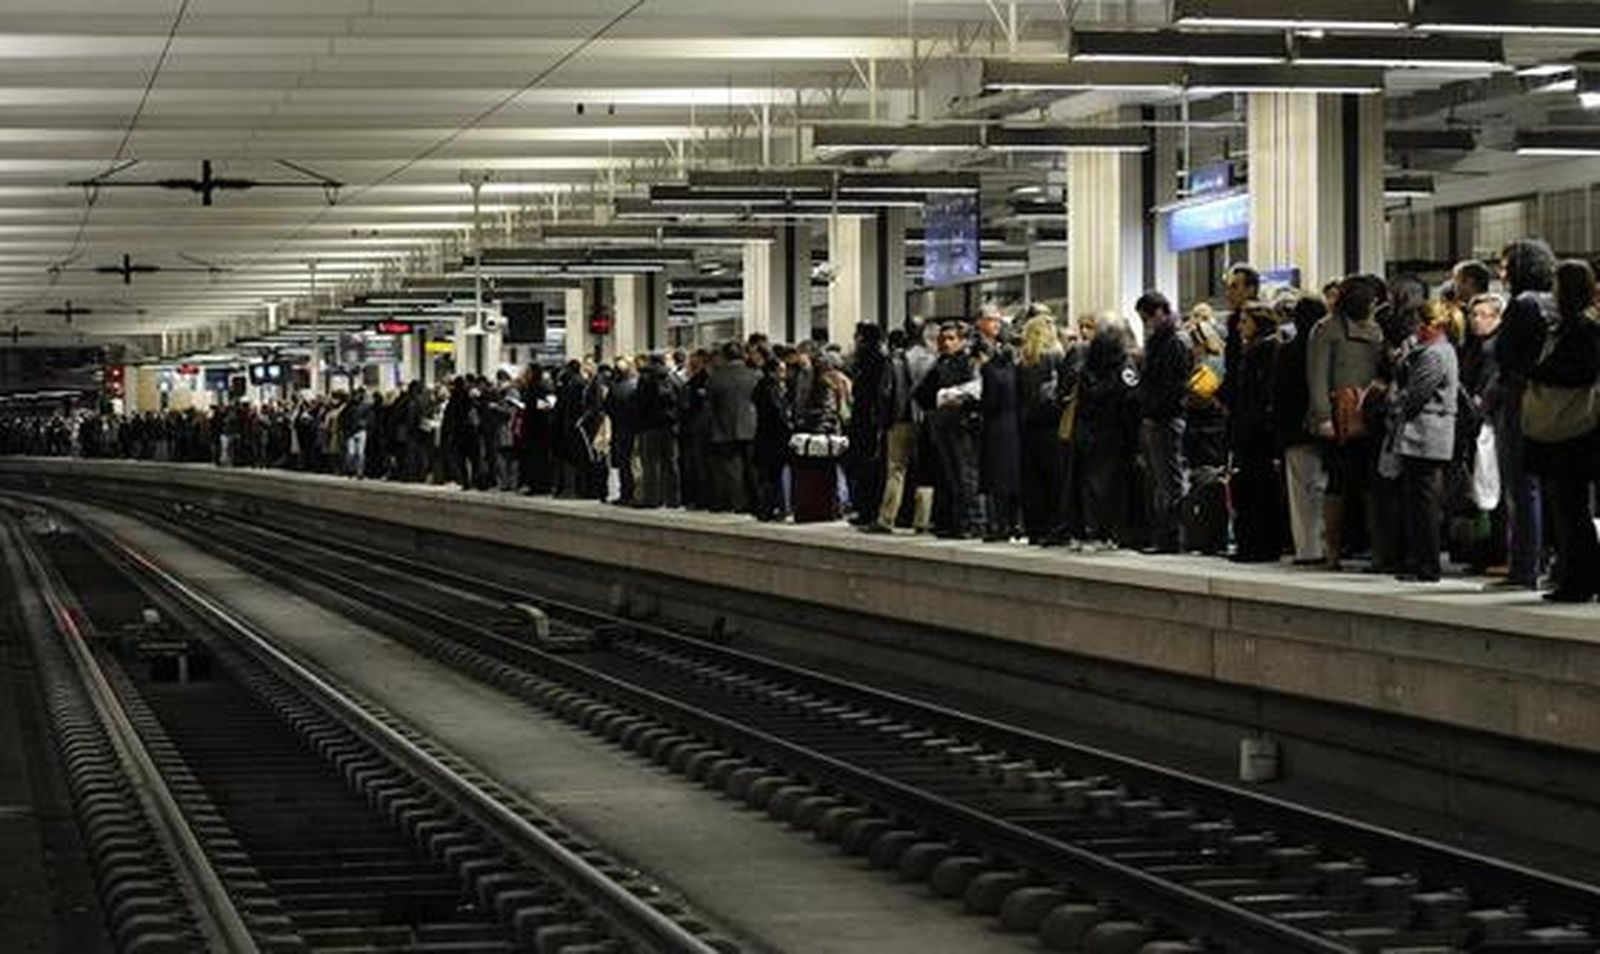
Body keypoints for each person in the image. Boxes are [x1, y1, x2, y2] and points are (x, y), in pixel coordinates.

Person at [1522, 260, 1600, 602]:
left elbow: (1582, 373)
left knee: (1570, 507)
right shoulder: (1573, 326)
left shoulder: (1580, 329)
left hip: (1573, 432)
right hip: (1574, 431)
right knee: (1568, 506)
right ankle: (1579, 577)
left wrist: (1539, 372)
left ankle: (1578, 580)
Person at [1307, 274, 1388, 570]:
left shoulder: (1377, 330)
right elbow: (1316, 375)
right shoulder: (1326, 329)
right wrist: (1323, 416)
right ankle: (1333, 550)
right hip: (1339, 416)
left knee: (1369, 484)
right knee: (1338, 484)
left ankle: (1375, 547)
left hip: (1370, 414)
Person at [1490, 240, 1556, 590]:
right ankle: (1550, 563)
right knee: (1551, 488)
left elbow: (1503, 353)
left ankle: (1523, 568)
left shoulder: (1522, 305)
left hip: (1519, 399)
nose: (1501, 273)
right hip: (1554, 403)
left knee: (1520, 485)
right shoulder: (1555, 303)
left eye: (1505, 265)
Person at [1387, 299, 1459, 583]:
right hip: (1427, 435)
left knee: (1423, 503)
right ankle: (1419, 561)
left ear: (1433, 325)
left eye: (1419, 324)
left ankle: (1426, 564)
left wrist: (1392, 399)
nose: (1414, 330)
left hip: (1425, 435)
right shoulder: (1433, 351)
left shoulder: (1434, 354)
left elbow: (1415, 395)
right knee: (1419, 501)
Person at [1074, 314, 1140, 550]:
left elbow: (1082, 402)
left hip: (1091, 432)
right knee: (1115, 484)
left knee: (1092, 484)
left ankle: (1093, 530)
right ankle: (1112, 532)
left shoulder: (1087, 369)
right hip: (1117, 433)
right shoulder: (1125, 367)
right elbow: (1131, 400)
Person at [1230, 301, 1287, 563]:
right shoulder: (1254, 349)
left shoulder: (1264, 350)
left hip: (1257, 433)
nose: (1240, 326)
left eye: (1245, 321)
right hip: (1253, 429)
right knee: (1252, 489)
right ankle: (1254, 543)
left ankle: (1256, 545)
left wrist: (1253, 425)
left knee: (1256, 490)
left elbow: (1261, 394)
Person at [1135, 291, 1192, 553]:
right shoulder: (1162, 340)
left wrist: (1155, 408)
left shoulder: (1174, 342)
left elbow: (1175, 386)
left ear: (1160, 311)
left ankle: (1173, 536)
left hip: (1166, 418)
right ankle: (1165, 535)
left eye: (1147, 318)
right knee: (1162, 479)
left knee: (1170, 479)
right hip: (1157, 417)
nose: (1146, 324)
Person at [915, 322, 983, 539]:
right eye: (943, 339)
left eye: (952, 338)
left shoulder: (969, 362)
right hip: (944, 424)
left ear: (962, 340)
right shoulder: (941, 362)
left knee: (966, 475)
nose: (946, 342)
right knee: (952, 476)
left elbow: (977, 392)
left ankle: (974, 521)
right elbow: (922, 392)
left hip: (962, 425)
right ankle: (959, 520)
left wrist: (958, 401)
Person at [1276, 295, 1329, 564]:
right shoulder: (1328, 348)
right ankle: (1327, 546)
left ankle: (1308, 549)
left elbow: (1280, 395)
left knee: (1301, 492)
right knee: (1324, 489)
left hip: (1296, 430)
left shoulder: (1289, 351)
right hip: (1329, 428)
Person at [1016, 313, 1066, 545]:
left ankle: (1034, 528)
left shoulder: (1023, 362)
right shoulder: (1056, 358)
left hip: (1028, 426)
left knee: (1032, 480)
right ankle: (1054, 526)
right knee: (1054, 479)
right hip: (1052, 425)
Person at [705, 341, 759, 513]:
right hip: (751, 425)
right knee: (753, 467)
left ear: (725, 356)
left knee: (732, 469)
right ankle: (756, 501)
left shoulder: (716, 377)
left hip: (724, 427)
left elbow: (710, 403)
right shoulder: (754, 375)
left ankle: (738, 503)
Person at [977, 336, 1021, 542]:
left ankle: (999, 525)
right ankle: (1014, 524)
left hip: (995, 427)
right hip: (1014, 426)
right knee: (1012, 478)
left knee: (996, 479)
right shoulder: (1015, 369)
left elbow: (989, 402)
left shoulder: (989, 370)